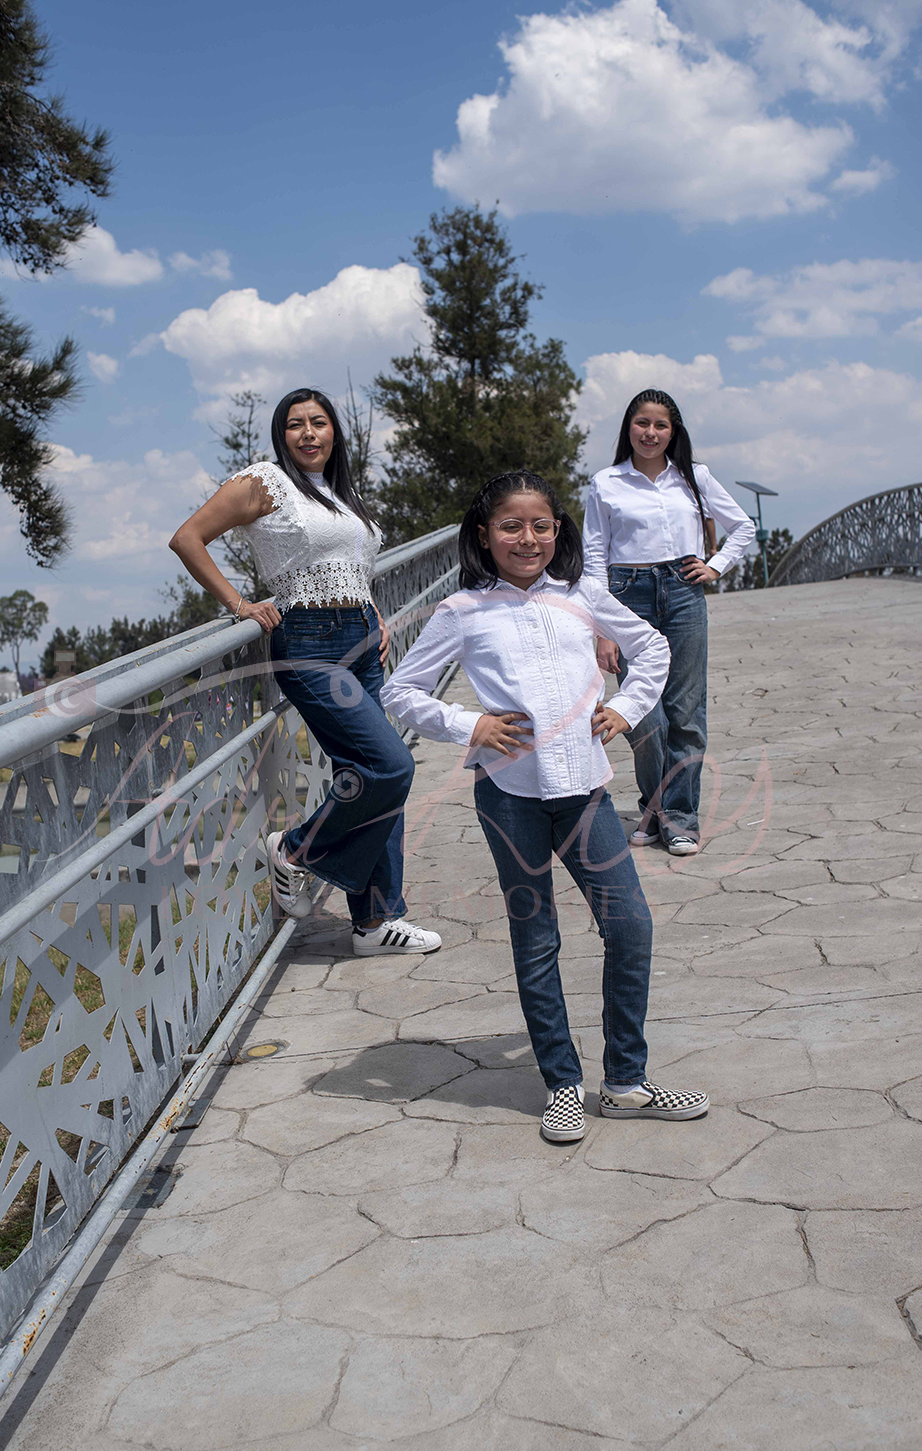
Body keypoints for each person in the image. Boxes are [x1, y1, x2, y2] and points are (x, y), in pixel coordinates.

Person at [381, 470, 709, 1143]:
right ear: (484, 535)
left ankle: (624, 1083)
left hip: (585, 790)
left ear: (559, 531)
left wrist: (625, 706)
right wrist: (469, 724)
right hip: (510, 796)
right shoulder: (463, 610)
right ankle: (561, 1084)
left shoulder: (582, 594)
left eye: (541, 525)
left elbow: (652, 645)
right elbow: (401, 690)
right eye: (510, 526)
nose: (527, 538)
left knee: (631, 926)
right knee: (537, 938)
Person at [169, 386, 440, 956]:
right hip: (310, 643)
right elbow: (187, 538)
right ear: (281, 435)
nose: (309, 433)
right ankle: (295, 849)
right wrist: (240, 604)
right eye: (296, 424)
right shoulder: (264, 482)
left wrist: (372, 613)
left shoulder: (343, 493)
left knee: (371, 779)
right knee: (391, 765)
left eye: (319, 422)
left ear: (334, 431)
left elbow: (348, 566)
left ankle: (375, 923)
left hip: (362, 640)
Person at [584, 390, 755, 855]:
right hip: (627, 597)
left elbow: (742, 527)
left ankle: (678, 817)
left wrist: (715, 566)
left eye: (661, 425)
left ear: (673, 431)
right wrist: (601, 629)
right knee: (644, 715)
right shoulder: (606, 482)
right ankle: (653, 805)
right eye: (642, 423)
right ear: (628, 427)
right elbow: (594, 555)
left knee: (685, 714)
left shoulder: (694, 477)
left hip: (683, 593)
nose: (651, 433)